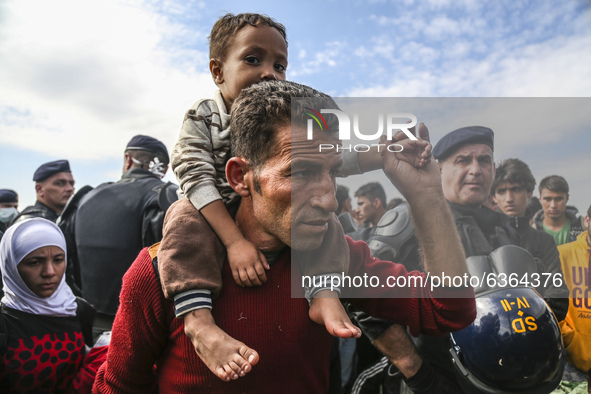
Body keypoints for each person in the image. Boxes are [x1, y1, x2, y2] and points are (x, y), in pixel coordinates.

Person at [93, 80, 476, 393]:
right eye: (300, 173)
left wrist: (426, 195)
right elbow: (119, 386)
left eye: (331, 172)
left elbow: (449, 310)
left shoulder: (338, 260)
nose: (329, 200)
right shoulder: (160, 273)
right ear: (240, 177)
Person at [158, 13, 377, 381]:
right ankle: (199, 321)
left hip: (268, 212)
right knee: (181, 221)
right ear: (217, 71)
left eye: (280, 65)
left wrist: (381, 155)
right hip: (211, 209)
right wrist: (234, 242)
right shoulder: (204, 117)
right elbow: (193, 176)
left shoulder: (288, 116)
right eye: (252, 59)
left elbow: (326, 157)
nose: (269, 73)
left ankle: (323, 290)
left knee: (328, 215)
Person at [73, 135, 177, 338]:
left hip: (88, 327)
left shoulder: (85, 197)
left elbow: (67, 265)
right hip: (142, 331)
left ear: (128, 160)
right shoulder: (166, 196)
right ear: (164, 169)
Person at [0, 218, 94, 392]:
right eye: (35, 262)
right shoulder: (5, 324)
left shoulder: (78, 310)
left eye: (58, 260)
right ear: (11, 265)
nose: (49, 272)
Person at [492, 158, 568, 318]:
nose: (509, 198)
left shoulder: (544, 241)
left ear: (529, 192)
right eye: (501, 191)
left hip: (539, 331)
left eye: (516, 189)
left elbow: (558, 296)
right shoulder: (485, 234)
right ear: (493, 196)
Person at [557, 204, 591, 383]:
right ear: (587, 221)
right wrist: (570, 338)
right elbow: (550, 304)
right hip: (571, 364)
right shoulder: (562, 254)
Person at [11, 160, 75, 225]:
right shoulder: (32, 223)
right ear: (39, 189)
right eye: (59, 183)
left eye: (71, 184)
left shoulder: (61, 219)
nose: (70, 189)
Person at [532, 175, 585, 245]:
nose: (553, 205)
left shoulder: (583, 226)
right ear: (540, 199)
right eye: (548, 199)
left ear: (567, 198)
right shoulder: (532, 232)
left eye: (558, 199)